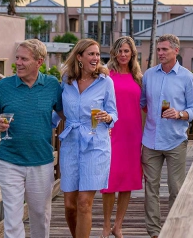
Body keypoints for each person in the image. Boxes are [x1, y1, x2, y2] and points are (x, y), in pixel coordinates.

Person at [0, 39, 63, 238]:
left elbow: (66, 115)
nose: (18, 63)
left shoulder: (52, 85)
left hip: (41, 162)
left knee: (40, 217)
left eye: (23, 59)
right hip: (9, 161)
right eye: (17, 58)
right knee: (12, 219)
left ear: (39, 61)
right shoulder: (4, 86)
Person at [141, 34, 193, 238]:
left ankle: (175, 230)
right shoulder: (149, 75)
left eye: (164, 49)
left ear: (176, 51)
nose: (160, 53)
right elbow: (141, 103)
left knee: (176, 189)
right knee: (151, 188)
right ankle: (154, 232)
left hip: (175, 140)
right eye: (158, 49)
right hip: (150, 141)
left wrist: (180, 114)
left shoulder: (187, 77)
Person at [59, 39, 118, 238]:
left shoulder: (105, 81)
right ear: (79, 57)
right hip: (70, 144)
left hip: (96, 144)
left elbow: (113, 112)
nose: (96, 58)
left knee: (84, 202)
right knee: (69, 204)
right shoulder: (67, 79)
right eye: (91, 54)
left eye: (97, 54)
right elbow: (58, 109)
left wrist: (108, 117)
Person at [101, 37, 143, 238]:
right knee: (110, 181)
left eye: (127, 51)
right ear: (115, 53)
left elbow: (146, 105)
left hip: (133, 133)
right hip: (111, 132)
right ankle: (106, 226)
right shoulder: (106, 75)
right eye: (120, 51)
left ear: (132, 53)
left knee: (128, 180)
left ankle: (118, 225)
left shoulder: (138, 77)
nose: (123, 54)